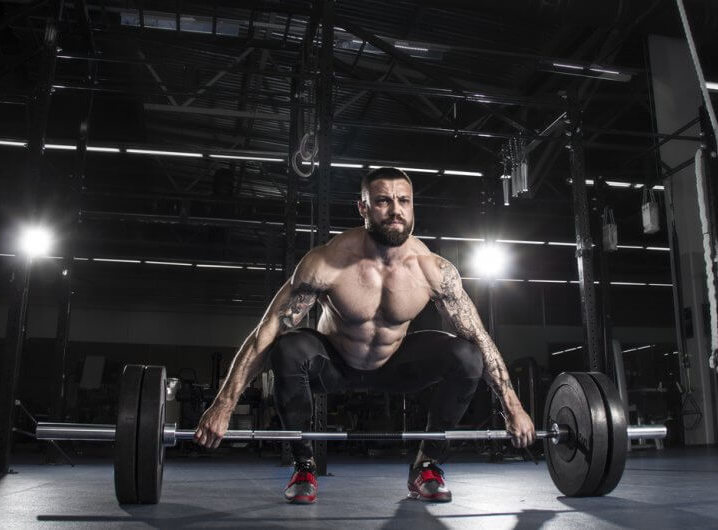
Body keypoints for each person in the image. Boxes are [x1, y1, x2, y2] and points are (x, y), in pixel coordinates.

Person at [194, 167, 536, 504]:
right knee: (287, 348)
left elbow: (478, 336)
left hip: (394, 365)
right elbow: (266, 330)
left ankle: (426, 465)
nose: (396, 210)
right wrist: (224, 404)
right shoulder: (327, 261)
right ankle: (304, 465)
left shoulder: (434, 270)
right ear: (363, 208)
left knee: (467, 356)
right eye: (383, 201)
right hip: (334, 363)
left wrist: (513, 407)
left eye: (404, 200)